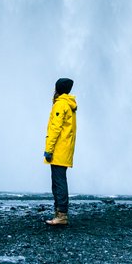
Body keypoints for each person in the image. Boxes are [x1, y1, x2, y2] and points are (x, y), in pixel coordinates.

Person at [42, 77, 77, 226]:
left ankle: (61, 215)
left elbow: (55, 129)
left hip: (59, 150)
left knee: (58, 183)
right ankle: (59, 213)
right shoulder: (69, 104)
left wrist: (48, 150)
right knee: (59, 181)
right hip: (65, 149)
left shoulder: (60, 105)